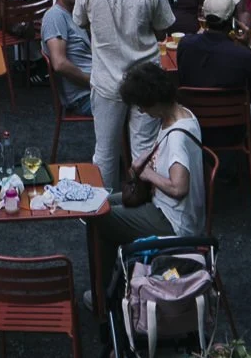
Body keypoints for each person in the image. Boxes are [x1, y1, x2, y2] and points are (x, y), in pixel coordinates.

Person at [76, 0, 176, 188]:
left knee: (105, 151)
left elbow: (80, 21)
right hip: (145, 74)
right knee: (143, 148)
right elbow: (162, 28)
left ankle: (103, 212)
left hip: (107, 77)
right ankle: (143, 203)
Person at [89, 58, 207, 288]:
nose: (141, 111)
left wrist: (149, 174)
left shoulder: (176, 138)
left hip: (173, 221)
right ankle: (110, 285)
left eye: (142, 105)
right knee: (100, 202)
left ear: (154, 101)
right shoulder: (184, 115)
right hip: (170, 210)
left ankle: (104, 294)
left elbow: (179, 187)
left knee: (99, 217)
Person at [175, 0, 251, 102]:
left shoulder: (185, 44)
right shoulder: (242, 55)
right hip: (235, 118)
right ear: (232, 20)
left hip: (195, 115)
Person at [41, 0, 93, 111]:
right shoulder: (55, 16)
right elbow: (59, 64)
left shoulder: (75, 13)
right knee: (137, 106)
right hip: (83, 96)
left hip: (96, 88)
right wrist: (91, 82)